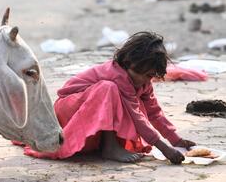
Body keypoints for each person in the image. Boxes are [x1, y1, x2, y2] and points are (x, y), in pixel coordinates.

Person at [22, 31, 196, 164]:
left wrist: (176, 140)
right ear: (128, 64)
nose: (146, 80)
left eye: (150, 75)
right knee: (109, 89)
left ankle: (106, 144)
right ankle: (110, 147)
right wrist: (164, 148)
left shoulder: (143, 82)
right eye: (142, 74)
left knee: (136, 103)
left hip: (87, 114)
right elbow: (137, 118)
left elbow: (154, 112)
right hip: (67, 112)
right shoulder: (117, 76)